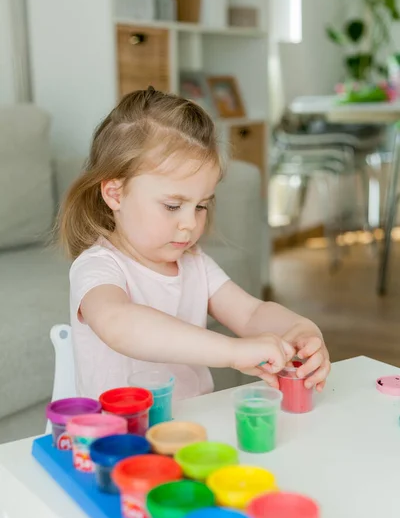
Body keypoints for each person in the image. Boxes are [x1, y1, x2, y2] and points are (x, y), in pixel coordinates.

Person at [58, 87, 330, 400]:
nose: (190, 223)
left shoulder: (194, 262)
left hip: (189, 430)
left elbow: (251, 314)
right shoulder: (98, 268)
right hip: (116, 439)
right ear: (115, 194)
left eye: (201, 206)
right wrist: (230, 350)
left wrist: (300, 330)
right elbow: (119, 324)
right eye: (173, 206)